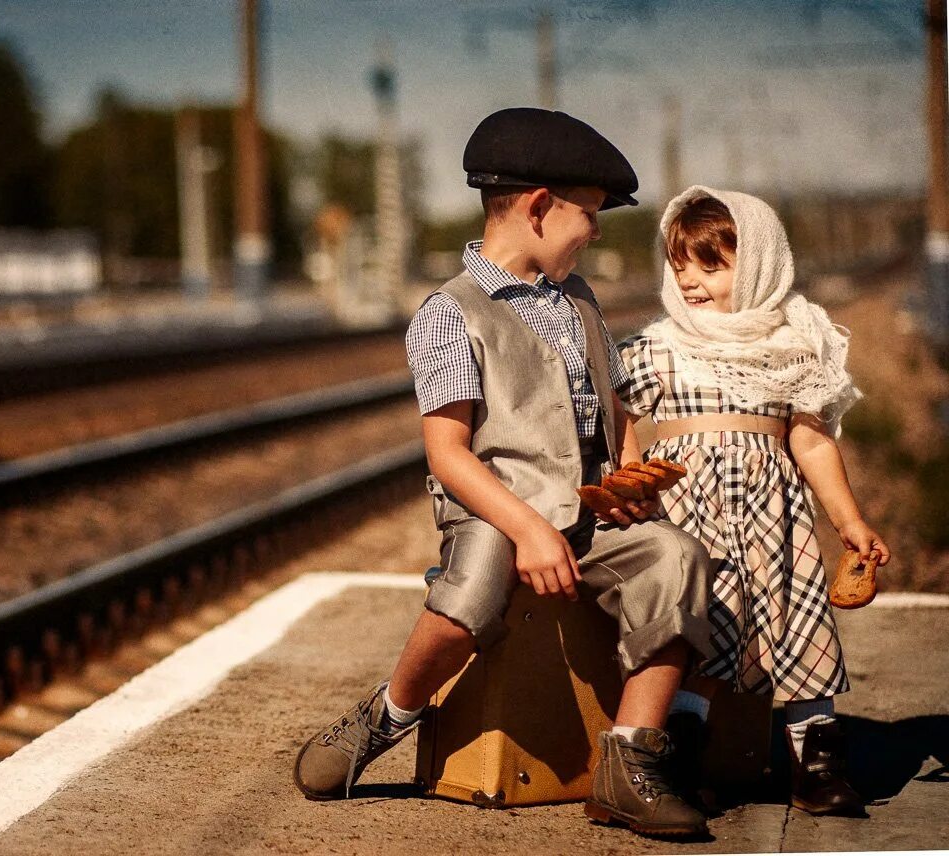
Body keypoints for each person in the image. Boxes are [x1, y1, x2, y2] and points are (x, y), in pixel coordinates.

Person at [292, 108, 716, 840]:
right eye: (591, 213)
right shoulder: (450, 314)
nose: (597, 230)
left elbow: (616, 414)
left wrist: (629, 479)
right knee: (478, 576)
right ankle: (390, 714)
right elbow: (448, 454)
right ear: (540, 208)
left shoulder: (581, 302)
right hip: (494, 511)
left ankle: (629, 761)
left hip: (581, 516)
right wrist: (526, 527)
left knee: (677, 558)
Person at [616, 186, 891, 817]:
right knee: (703, 627)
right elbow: (622, 416)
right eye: (680, 264)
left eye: (711, 266)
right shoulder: (660, 344)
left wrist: (848, 522)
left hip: (778, 512)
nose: (690, 281)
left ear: (762, 260)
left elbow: (812, 442)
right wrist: (632, 478)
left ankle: (815, 762)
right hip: (690, 508)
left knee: (800, 621)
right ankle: (682, 756)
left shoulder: (795, 342)